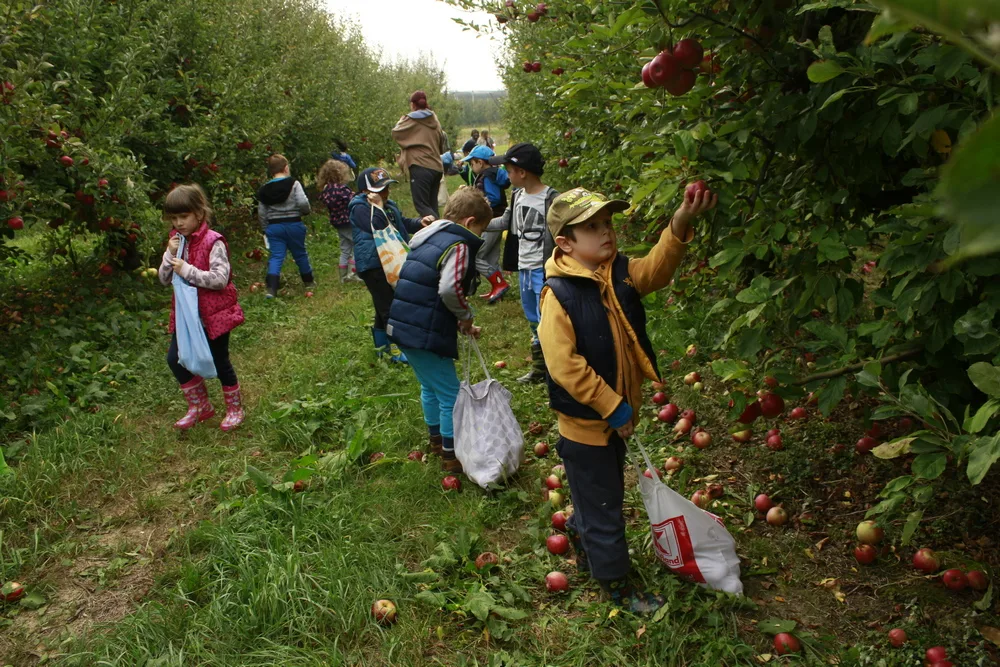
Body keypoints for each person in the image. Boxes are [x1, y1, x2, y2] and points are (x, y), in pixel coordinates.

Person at [538, 186, 717, 613]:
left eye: (608, 223)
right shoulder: (558, 296)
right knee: (606, 509)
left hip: (617, 420)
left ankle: (581, 533)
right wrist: (610, 403)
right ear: (565, 243)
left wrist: (680, 222)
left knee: (601, 493)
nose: (606, 233)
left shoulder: (616, 273)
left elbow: (656, 271)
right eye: (593, 227)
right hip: (587, 426)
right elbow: (564, 365)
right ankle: (616, 582)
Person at [386, 187, 493, 473]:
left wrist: (458, 322)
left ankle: (436, 441)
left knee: (430, 388)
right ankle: (451, 455)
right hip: (424, 331)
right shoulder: (458, 244)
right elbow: (448, 289)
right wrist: (465, 315)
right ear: (470, 223)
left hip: (403, 325)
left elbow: (425, 288)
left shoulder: (427, 237)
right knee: (451, 395)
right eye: (481, 230)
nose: (480, 237)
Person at [158, 184, 246, 432]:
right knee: (176, 359)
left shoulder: (213, 241)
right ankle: (200, 407)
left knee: (219, 361)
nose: (179, 223)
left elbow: (220, 279)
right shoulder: (177, 242)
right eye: (174, 218)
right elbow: (164, 279)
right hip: (187, 316)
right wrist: (169, 254)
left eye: (183, 216)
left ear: (199, 213)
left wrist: (187, 270)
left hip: (213, 314)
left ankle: (235, 408)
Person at [484, 143, 559, 383]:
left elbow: (561, 233)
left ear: (522, 172)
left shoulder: (551, 199)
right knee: (532, 317)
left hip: (543, 268)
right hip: (525, 268)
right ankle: (540, 368)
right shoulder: (517, 195)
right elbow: (506, 222)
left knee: (547, 317)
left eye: (508, 169)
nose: (506, 175)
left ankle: (556, 368)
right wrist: (476, 224)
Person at [349, 167, 434, 363]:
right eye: (380, 190)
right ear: (365, 191)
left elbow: (400, 223)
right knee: (390, 308)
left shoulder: (388, 204)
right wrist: (377, 205)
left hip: (390, 261)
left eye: (386, 188)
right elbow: (379, 225)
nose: (386, 193)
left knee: (383, 306)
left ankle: (381, 347)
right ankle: (397, 349)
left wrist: (420, 222)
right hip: (374, 264)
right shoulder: (359, 207)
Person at [258, 154, 314, 298]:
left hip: (274, 227)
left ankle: (271, 288)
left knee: (276, 257)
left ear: (270, 171)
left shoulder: (264, 190)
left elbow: (262, 213)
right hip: (294, 223)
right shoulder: (294, 183)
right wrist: (305, 211)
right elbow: (302, 202)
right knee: (300, 254)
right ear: (286, 168)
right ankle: (308, 282)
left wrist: (265, 228)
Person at [461, 145, 511, 303]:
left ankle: (500, 284)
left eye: (472, 163)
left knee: (475, 256)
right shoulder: (491, 174)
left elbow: (493, 197)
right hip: (497, 219)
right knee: (491, 256)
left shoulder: (487, 175)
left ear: (480, 163)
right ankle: (498, 291)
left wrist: (477, 200)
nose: (471, 166)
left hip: (489, 220)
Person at [392, 90, 447, 219]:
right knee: (432, 205)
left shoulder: (411, 120)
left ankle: (440, 231)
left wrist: (402, 119)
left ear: (412, 104)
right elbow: (441, 142)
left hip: (421, 166)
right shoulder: (434, 119)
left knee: (421, 205)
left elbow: (396, 133)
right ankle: (436, 235)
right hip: (436, 167)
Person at [317, 159, 360, 283]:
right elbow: (353, 199)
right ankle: (352, 274)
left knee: (345, 248)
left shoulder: (325, 191)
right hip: (348, 221)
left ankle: (342, 276)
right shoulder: (342, 190)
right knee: (357, 245)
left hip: (337, 223)